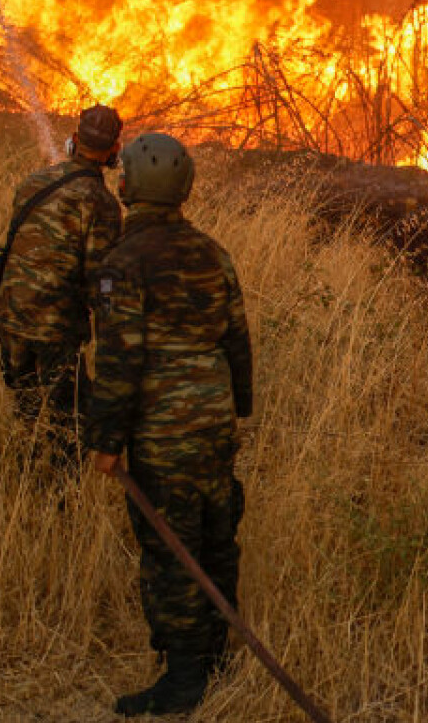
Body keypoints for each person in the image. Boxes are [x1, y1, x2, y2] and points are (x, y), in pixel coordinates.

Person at [86, 133, 254, 717]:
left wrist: (106, 442)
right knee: (215, 540)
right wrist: (239, 407)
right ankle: (218, 658)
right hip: (213, 424)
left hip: (164, 434)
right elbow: (237, 336)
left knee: (170, 552)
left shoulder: (122, 262)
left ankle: (184, 683)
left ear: (127, 185)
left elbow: (120, 360)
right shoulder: (213, 251)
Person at [0, 105, 124, 472]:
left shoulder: (33, 182)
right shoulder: (102, 204)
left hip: (8, 314)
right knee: (71, 420)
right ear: (114, 152)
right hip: (53, 328)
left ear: (74, 140)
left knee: (26, 410)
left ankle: (21, 480)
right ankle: (60, 502)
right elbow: (102, 278)